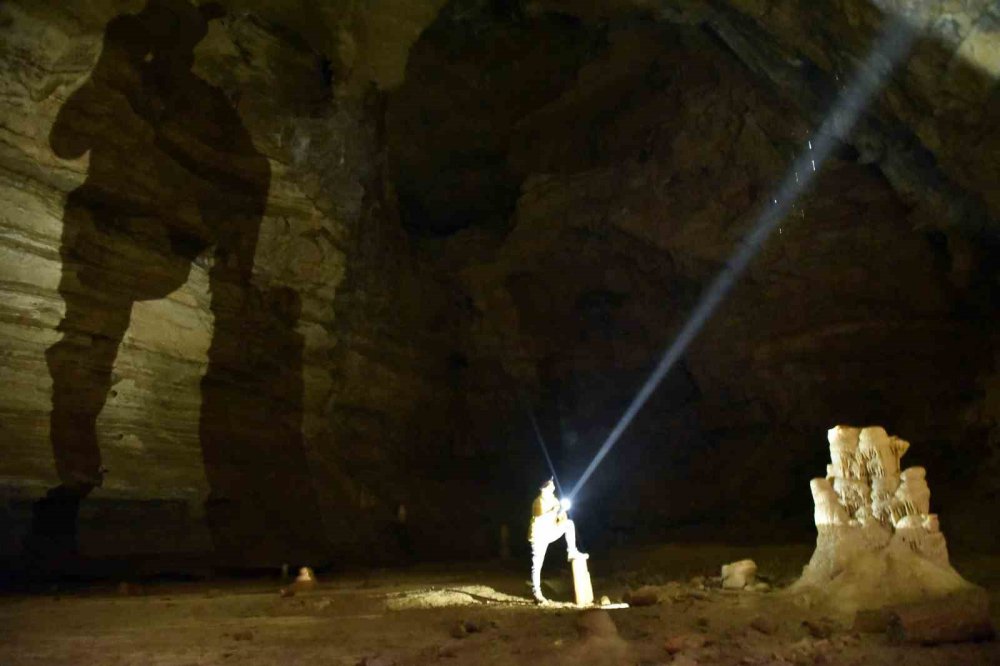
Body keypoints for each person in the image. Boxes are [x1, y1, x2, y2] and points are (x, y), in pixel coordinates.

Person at [528, 478, 587, 603]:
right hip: (539, 537)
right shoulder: (538, 502)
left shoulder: (554, 500)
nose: (554, 488)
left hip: (550, 532)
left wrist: (561, 514)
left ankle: (572, 551)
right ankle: (536, 592)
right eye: (551, 486)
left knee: (569, 524)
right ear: (544, 488)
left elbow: (559, 519)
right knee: (537, 565)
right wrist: (553, 511)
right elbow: (539, 517)